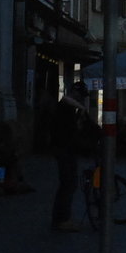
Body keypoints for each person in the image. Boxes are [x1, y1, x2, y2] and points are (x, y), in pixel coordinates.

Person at [49, 81, 99, 232]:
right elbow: (69, 132)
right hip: (64, 149)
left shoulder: (73, 108)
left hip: (67, 149)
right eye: (81, 96)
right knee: (68, 184)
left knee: (68, 184)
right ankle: (62, 220)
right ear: (74, 93)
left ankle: (61, 218)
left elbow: (86, 126)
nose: (82, 99)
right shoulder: (66, 108)